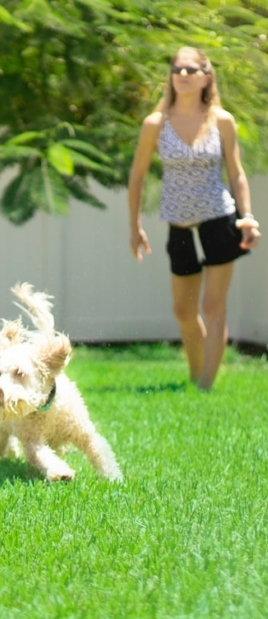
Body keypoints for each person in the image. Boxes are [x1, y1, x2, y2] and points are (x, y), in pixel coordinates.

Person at [127, 46, 261, 391]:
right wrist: (135, 227)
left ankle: (205, 386)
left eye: (191, 70)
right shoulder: (156, 124)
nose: (182, 76)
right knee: (184, 312)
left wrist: (247, 217)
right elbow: (138, 176)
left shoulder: (222, 120)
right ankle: (195, 372)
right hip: (179, 224)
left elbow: (236, 172)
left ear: (206, 76)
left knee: (213, 306)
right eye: (177, 70)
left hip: (219, 219)